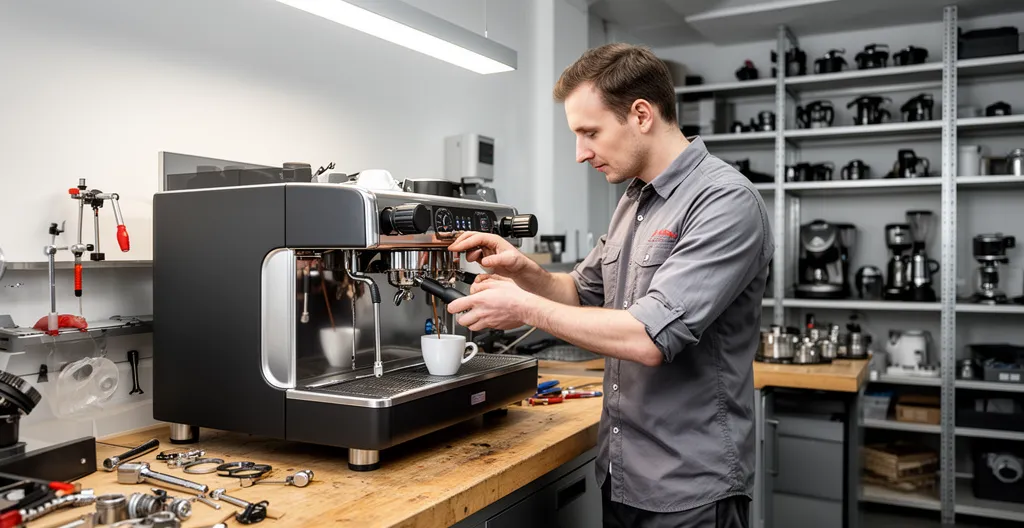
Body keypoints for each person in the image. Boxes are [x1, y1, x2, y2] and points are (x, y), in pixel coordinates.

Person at [446, 42, 775, 528]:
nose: (581, 154)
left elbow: (648, 338)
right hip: (622, 474)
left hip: (689, 491)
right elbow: (581, 291)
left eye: (589, 133)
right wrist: (523, 271)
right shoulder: (634, 199)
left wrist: (525, 309)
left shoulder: (725, 202)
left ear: (641, 114)